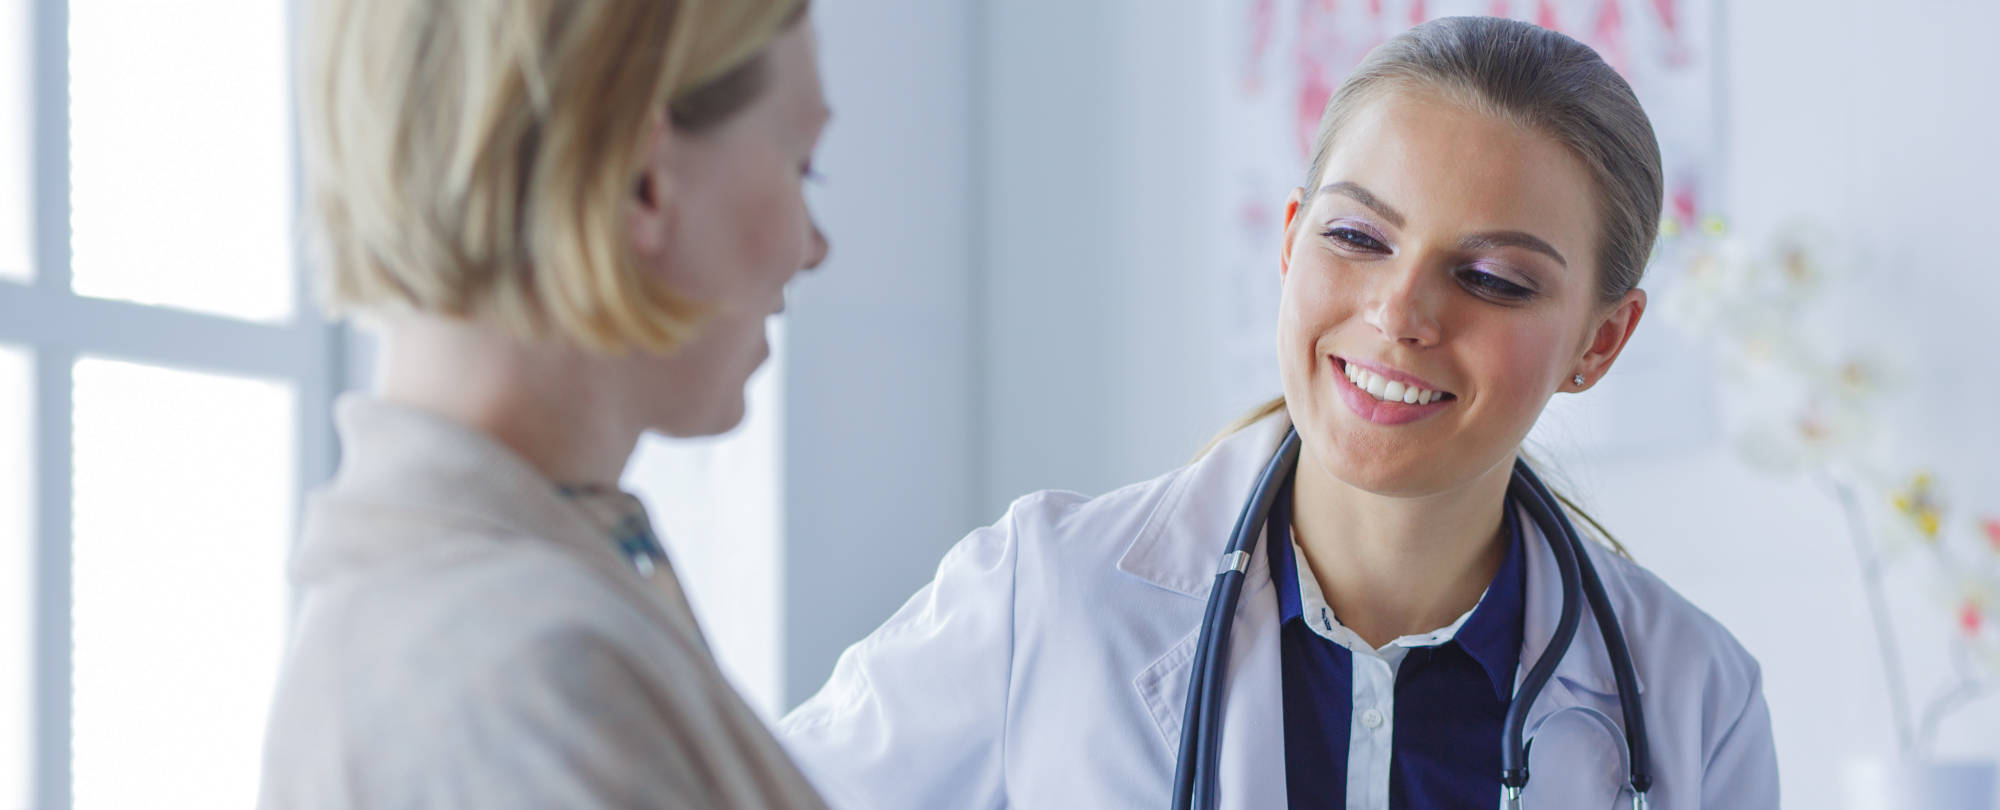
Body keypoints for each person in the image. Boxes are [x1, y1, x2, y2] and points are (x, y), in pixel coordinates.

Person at [779, 16, 1778, 810]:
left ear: (1599, 344)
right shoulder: (1043, 600)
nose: (1398, 313)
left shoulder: (1692, 701)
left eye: (1489, 278)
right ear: (1291, 244)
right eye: (1356, 235)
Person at [259, 1, 832, 807]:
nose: (815, 247)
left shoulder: (500, 615)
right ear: (643, 182)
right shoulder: (524, 687)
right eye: (802, 166)